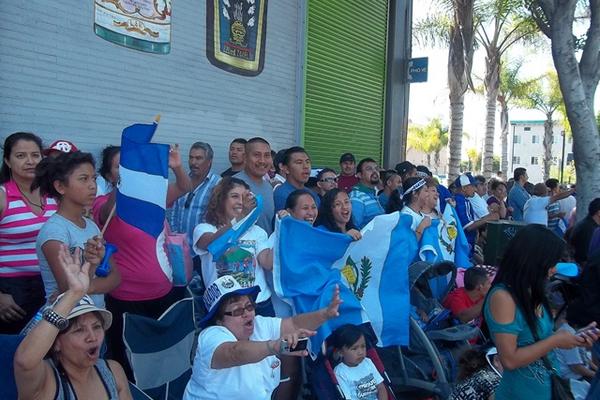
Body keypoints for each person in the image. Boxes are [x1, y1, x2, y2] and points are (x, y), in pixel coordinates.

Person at [92, 144, 187, 379]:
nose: (128, 171)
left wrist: (176, 166)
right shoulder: (103, 203)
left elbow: (185, 187)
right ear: (108, 176)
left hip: (164, 292)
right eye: (119, 167)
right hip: (126, 300)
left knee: (161, 359)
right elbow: (105, 214)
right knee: (128, 365)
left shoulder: (152, 200)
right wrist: (127, 179)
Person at [483, 224, 598, 400]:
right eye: (551, 263)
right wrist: (556, 340)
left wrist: (575, 338)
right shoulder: (503, 297)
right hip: (520, 393)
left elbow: (538, 338)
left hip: (546, 387)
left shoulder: (531, 290)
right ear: (533, 260)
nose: (554, 270)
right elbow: (510, 360)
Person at [182, 275, 342, 400]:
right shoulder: (211, 336)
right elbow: (234, 352)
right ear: (219, 320)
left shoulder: (260, 325)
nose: (246, 313)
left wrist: (324, 314)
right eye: (237, 311)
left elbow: (293, 324)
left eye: (249, 306)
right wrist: (273, 347)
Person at [13, 244, 132, 400]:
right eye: (79, 330)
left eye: (96, 327)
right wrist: (74, 293)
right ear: (56, 344)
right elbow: (24, 362)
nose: (92, 337)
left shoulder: (113, 372)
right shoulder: (46, 382)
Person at [34, 152, 120, 308]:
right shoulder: (55, 232)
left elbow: (116, 277)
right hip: (67, 323)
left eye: (93, 178)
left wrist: (89, 286)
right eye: (83, 179)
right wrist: (94, 280)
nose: (93, 185)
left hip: (95, 317)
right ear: (60, 186)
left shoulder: (92, 226)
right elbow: (68, 289)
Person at [0, 132, 58, 334]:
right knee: (13, 354)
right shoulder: (2, 196)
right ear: (7, 160)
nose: (29, 161)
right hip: (11, 293)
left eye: (35, 155)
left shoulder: (53, 194)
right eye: (21, 156)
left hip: (50, 287)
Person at [193, 177, 273, 315]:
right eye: (235, 196)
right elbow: (212, 243)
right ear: (221, 200)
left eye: (245, 197)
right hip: (224, 307)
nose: (241, 202)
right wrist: (241, 217)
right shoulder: (205, 228)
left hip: (259, 303)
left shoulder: (257, 231)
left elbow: (267, 263)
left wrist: (283, 231)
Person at [168, 142, 221, 249]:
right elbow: (174, 210)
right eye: (191, 158)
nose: (193, 162)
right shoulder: (183, 180)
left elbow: (218, 219)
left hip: (201, 250)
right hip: (180, 248)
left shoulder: (218, 184)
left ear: (209, 161)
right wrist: (175, 237)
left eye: (198, 158)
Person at [331, 324, 388, 400]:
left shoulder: (368, 362)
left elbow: (381, 387)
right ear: (341, 352)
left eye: (363, 346)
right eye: (354, 349)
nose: (360, 352)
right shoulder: (340, 372)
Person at [235, 137, 276, 234]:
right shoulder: (231, 185)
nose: (262, 161)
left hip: (265, 247)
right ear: (245, 158)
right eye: (257, 155)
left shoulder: (269, 187)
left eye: (267, 155)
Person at [453, 173, 499, 254]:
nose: (475, 189)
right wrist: (489, 218)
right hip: (464, 243)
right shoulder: (461, 201)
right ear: (464, 188)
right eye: (473, 186)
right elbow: (468, 227)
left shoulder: (462, 200)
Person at [273, 147, 319, 212]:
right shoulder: (281, 195)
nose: (306, 166)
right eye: (299, 162)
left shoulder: (312, 194)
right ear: (286, 169)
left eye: (307, 162)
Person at [349, 158, 384, 229]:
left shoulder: (373, 193)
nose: (375, 171)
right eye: (369, 169)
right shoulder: (356, 197)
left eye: (376, 169)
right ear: (359, 175)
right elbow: (355, 228)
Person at [569, 198, 600, 265]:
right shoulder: (588, 229)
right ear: (599, 212)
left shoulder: (589, 224)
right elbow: (585, 258)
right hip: (583, 268)